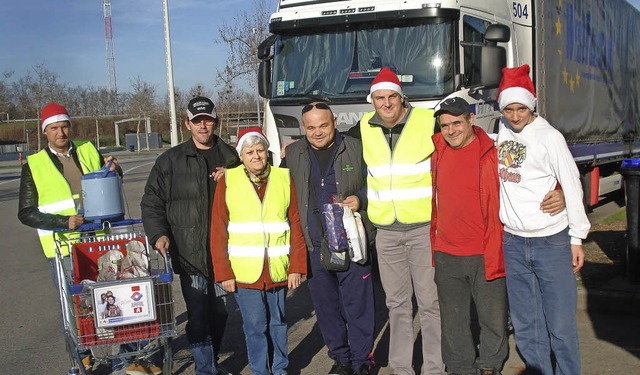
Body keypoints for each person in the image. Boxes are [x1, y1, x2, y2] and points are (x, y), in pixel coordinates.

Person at [430, 97, 565, 375]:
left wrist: (561, 191)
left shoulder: (493, 150)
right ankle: (459, 367)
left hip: (485, 249)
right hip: (447, 251)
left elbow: (531, 173)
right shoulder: (437, 150)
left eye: (457, 123)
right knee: (453, 320)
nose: (451, 130)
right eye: (445, 125)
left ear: (470, 120)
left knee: (492, 318)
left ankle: (490, 364)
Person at [345, 67, 444, 375]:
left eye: (391, 97)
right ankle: (401, 367)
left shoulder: (429, 122)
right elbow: (328, 143)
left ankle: (434, 368)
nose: (386, 104)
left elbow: (465, 137)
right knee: (397, 305)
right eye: (379, 98)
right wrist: (291, 147)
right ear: (371, 101)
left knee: (429, 303)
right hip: (386, 233)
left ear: (403, 98)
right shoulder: (362, 127)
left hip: (423, 229)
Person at [495, 64, 590, 375]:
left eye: (521, 108)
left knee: (560, 326)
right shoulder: (501, 132)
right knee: (526, 327)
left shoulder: (550, 137)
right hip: (513, 241)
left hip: (551, 241)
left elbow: (572, 183)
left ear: (531, 105)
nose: (515, 115)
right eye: (508, 109)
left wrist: (577, 238)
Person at [17, 101, 120, 374]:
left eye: (64, 126)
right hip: (62, 246)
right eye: (54, 128)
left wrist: (114, 169)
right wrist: (63, 222)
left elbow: (107, 182)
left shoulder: (87, 150)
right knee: (74, 306)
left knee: (111, 299)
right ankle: (82, 355)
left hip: (97, 240)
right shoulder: (34, 165)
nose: (60, 133)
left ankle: (124, 356)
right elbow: (26, 212)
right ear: (45, 132)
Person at [141, 96, 239, 375]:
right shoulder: (169, 161)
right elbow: (152, 202)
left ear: (216, 121)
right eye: (197, 121)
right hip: (188, 252)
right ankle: (206, 369)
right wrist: (158, 234)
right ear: (187, 124)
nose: (203, 125)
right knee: (198, 314)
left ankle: (210, 361)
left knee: (219, 312)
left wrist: (234, 176)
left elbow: (258, 176)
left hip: (224, 252)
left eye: (207, 119)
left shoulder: (232, 157)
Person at [284, 102, 375, 375]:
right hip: (316, 244)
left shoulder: (356, 148)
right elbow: (266, 174)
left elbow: (377, 181)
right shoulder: (294, 153)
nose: (318, 132)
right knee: (327, 309)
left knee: (357, 306)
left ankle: (362, 361)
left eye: (323, 125)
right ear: (304, 128)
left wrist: (361, 197)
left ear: (334, 122)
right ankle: (341, 359)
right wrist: (227, 171)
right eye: (311, 127)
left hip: (351, 243)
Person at [210, 127, 307, 375]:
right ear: (240, 156)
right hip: (244, 273)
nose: (256, 156)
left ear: (267, 152)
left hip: (277, 269)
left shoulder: (283, 179)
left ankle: (280, 368)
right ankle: (260, 370)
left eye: (260, 150)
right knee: (255, 326)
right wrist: (224, 273)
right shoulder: (228, 181)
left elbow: (295, 224)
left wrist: (296, 266)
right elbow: (218, 230)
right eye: (249, 152)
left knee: (278, 324)